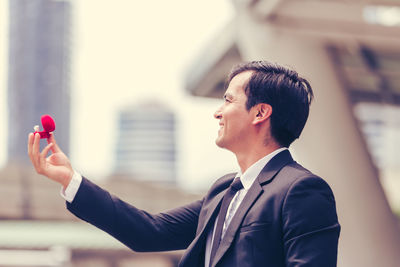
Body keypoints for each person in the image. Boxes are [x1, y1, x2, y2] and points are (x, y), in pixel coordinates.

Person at [28, 61, 340, 267]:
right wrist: (70, 180)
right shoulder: (223, 190)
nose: (217, 112)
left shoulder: (301, 190)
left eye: (229, 101)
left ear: (260, 113)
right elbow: (149, 232)